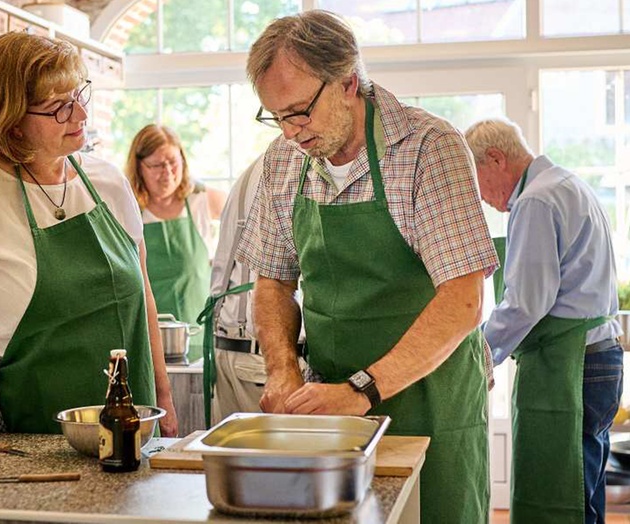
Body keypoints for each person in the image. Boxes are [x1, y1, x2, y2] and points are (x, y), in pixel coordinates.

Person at [238, 10, 498, 523]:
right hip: (333, 413)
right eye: (276, 117)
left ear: (349, 82)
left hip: (433, 404)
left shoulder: (429, 149)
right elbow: (272, 280)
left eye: (299, 112)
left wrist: (364, 390)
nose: (291, 132)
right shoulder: (282, 161)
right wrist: (283, 368)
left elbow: (463, 301)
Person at [0, 32, 178, 437]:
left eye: (79, 96)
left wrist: (162, 395)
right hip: (3, 421)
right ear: (11, 122)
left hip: (121, 416)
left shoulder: (107, 181)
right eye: (59, 108)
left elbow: (143, 292)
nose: (81, 116)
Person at [465, 118, 623, 524]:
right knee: (583, 488)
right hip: (601, 358)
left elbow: (524, 303)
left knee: (565, 491)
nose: (480, 198)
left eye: (475, 180)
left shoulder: (536, 200)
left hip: (572, 365)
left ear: (496, 159)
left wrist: (476, 354)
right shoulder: (568, 184)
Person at [200, 154, 308, 426]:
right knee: (275, 462)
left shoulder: (255, 169)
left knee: (237, 461)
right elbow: (279, 280)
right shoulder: (287, 168)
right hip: (259, 355)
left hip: (233, 348)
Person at [125, 125, 225, 362]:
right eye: (157, 165)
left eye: (173, 162)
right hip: (148, 339)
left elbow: (249, 221)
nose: (168, 172)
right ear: (139, 167)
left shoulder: (201, 199)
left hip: (199, 336)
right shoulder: (128, 208)